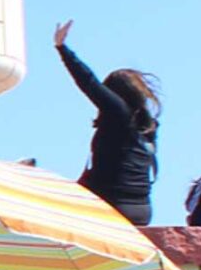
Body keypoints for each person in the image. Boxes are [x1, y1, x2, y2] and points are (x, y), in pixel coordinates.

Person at [52, 20, 160, 223]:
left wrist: (62, 49)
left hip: (113, 206)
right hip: (142, 210)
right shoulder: (148, 128)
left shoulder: (118, 114)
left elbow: (89, 82)